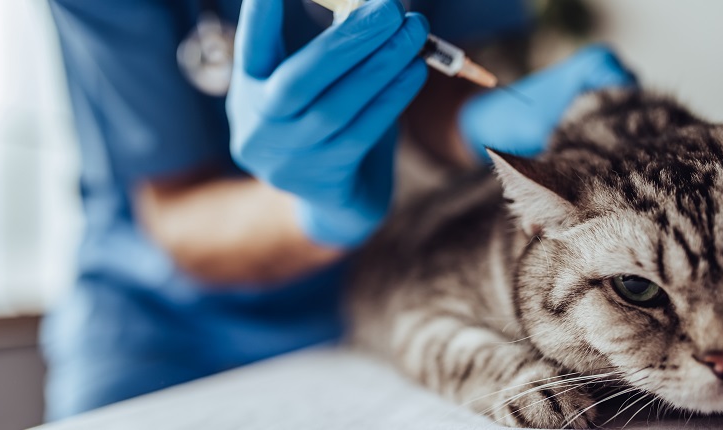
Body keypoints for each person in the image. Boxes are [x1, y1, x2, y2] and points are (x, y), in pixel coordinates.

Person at [42, 0, 636, 421]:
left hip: (368, 297)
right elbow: (173, 208)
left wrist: (478, 121)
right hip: (161, 329)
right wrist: (315, 213)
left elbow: (432, 77)